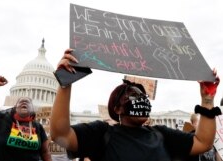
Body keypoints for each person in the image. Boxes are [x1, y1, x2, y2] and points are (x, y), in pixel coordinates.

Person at [50, 49, 221, 161]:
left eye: (143, 96)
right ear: (117, 108)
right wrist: (66, 83)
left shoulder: (162, 134)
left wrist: (207, 100)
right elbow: (60, 134)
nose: (141, 99)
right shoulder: (102, 134)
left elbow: (203, 142)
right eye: (132, 95)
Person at [0, 76, 52, 161]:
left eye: (28, 102)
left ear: (32, 109)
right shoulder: (2, 119)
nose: (24, 102)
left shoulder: (38, 127)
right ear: (15, 108)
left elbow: (45, 152)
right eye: (21, 101)